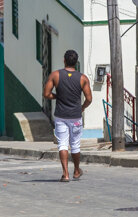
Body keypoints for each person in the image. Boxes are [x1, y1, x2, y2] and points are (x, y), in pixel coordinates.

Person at [43, 49, 92, 182]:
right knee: (75, 144)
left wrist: (58, 96)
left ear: (64, 60)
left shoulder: (55, 75)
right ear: (76, 62)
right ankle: (76, 170)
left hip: (61, 116)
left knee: (63, 144)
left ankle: (65, 174)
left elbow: (46, 94)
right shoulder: (83, 78)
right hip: (76, 116)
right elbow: (89, 98)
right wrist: (81, 108)